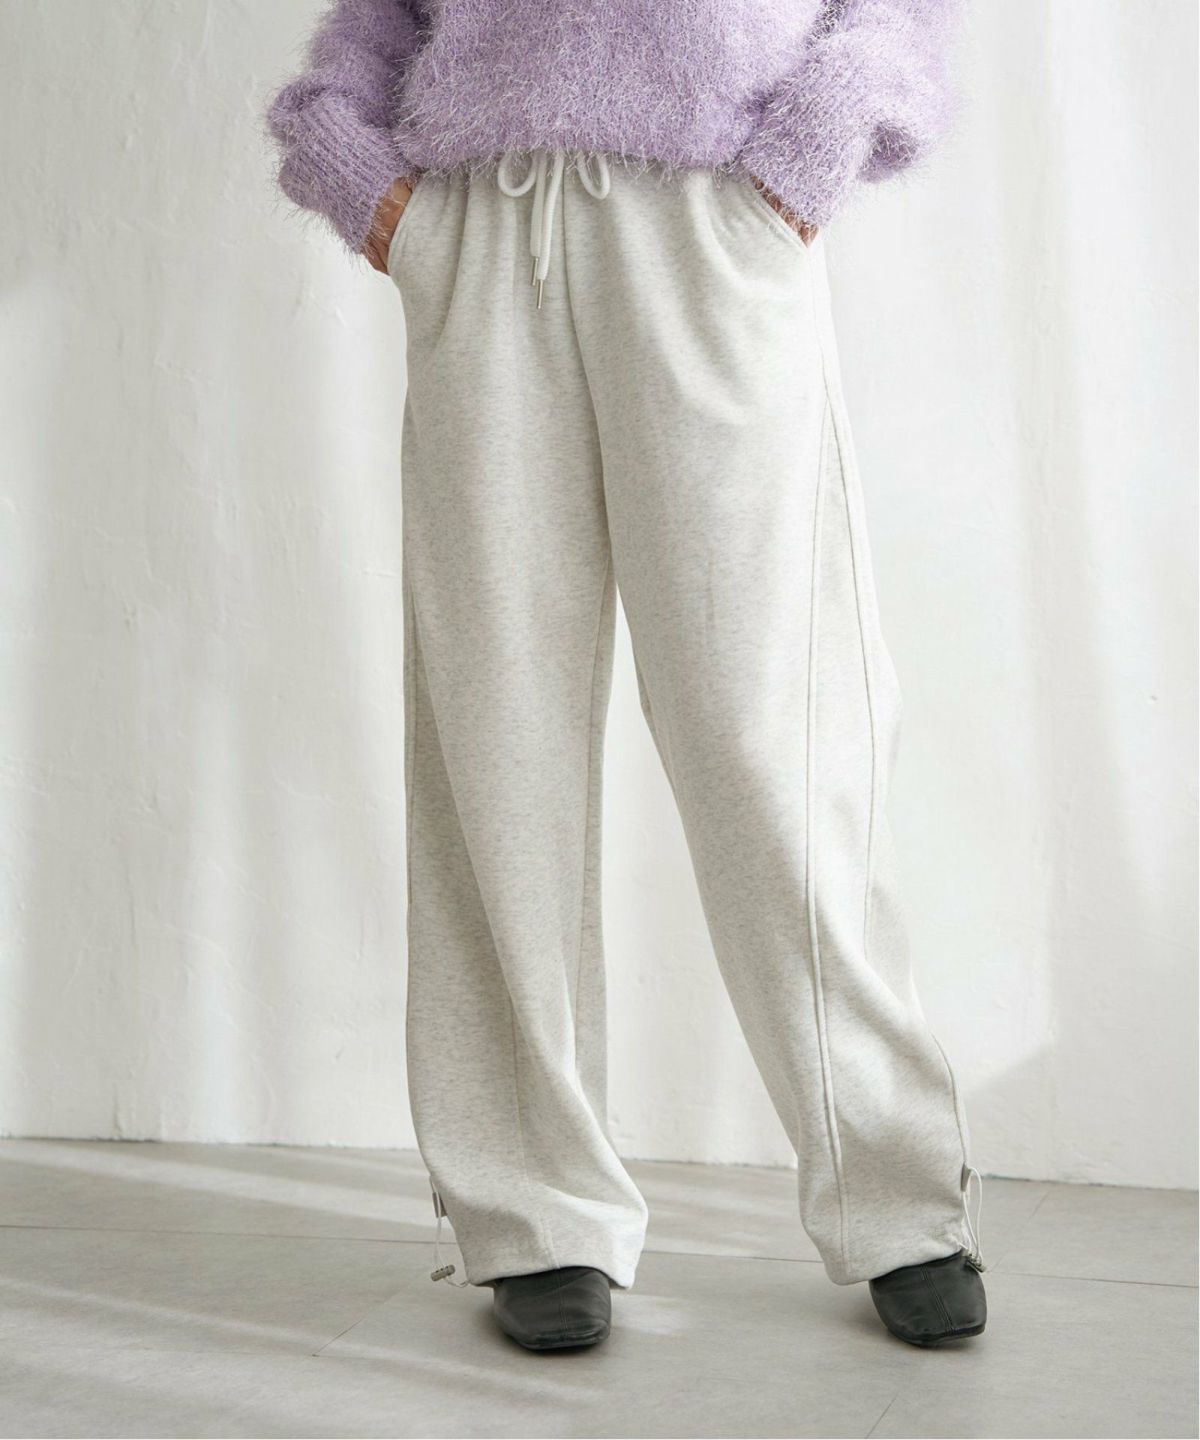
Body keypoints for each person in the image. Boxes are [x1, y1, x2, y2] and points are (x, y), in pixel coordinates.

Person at [264, 0, 987, 1352]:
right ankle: (534, 1212)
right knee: (498, 732)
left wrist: (810, 144)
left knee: (774, 735)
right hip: (485, 232)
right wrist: (372, 189)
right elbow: (377, 26)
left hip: (712, 220)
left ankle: (895, 1194)